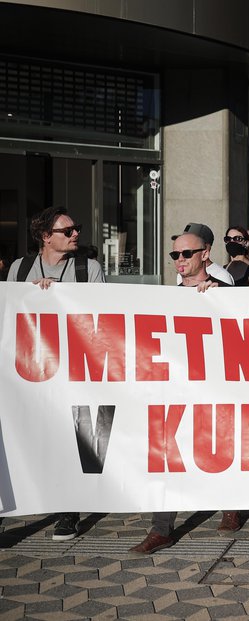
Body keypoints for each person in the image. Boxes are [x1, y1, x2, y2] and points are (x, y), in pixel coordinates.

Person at [131, 231, 242, 554]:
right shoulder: (169, 297)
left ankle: (231, 505)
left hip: (218, 387)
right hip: (178, 387)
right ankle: (161, 528)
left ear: (205, 254)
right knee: (169, 453)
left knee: (221, 449)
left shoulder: (225, 292)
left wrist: (218, 297)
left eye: (186, 254)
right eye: (174, 255)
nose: (179, 260)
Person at [8, 206, 106, 542]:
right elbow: (11, 313)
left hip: (75, 366)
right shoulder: (20, 269)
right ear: (45, 237)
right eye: (68, 230)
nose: (76, 234)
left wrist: (59, 298)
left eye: (76, 228)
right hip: (32, 366)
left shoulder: (87, 268)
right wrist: (33, 296)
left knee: (71, 435)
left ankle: (68, 510)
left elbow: (100, 313)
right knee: (29, 434)